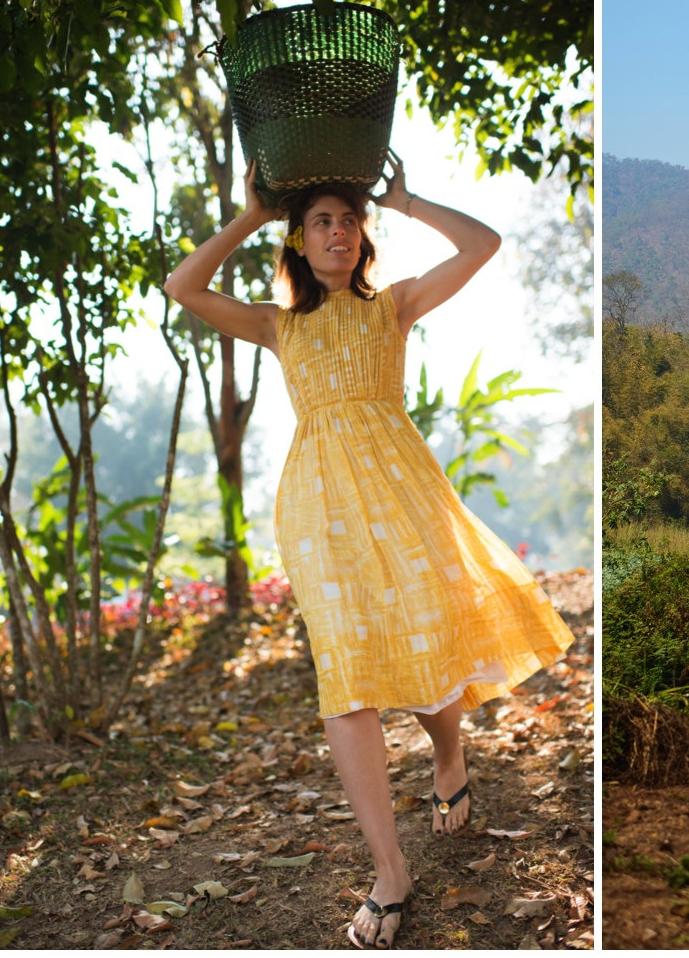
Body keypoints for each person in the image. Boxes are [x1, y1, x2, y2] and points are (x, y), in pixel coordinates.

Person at [163, 154, 574, 949]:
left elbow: (482, 244)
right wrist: (251, 214)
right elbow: (182, 287)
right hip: (318, 508)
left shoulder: (392, 307)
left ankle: (448, 756)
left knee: (423, 652)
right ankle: (390, 871)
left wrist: (407, 199)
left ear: (363, 237)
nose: (338, 230)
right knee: (345, 678)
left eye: (349, 220)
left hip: (401, 492)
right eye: (321, 220)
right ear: (299, 241)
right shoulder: (278, 325)